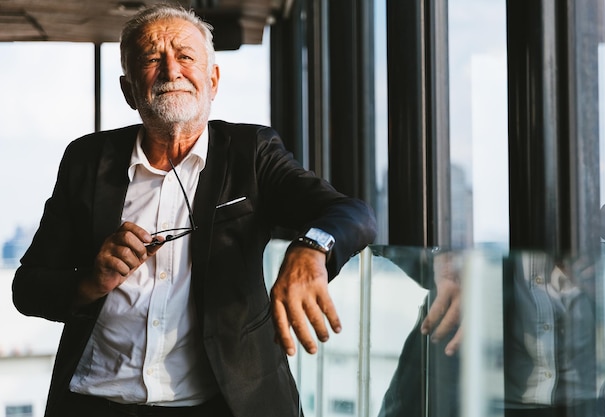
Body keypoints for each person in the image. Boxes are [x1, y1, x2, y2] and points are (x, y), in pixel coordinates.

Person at [11, 4, 377, 417]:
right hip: (95, 403)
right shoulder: (86, 160)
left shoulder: (251, 153)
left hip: (224, 403)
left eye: (185, 56)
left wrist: (312, 248)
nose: (171, 71)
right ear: (129, 89)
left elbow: (353, 214)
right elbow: (27, 288)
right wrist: (90, 282)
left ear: (213, 80)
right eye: (152, 59)